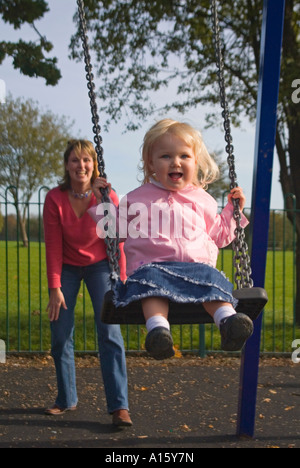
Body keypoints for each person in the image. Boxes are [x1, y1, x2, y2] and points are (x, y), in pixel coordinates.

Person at [89, 119, 254, 360]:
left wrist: (232, 212)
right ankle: (158, 332)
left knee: (212, 283)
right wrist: (102, 202)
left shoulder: (203, 200)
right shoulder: (137, 199)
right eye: (166, 156)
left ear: (195, 162)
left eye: (184, 156)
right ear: (151, 163)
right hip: (153, 267)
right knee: (150, 288)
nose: (175, 162)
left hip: (196, 268)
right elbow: (114, 232)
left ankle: (229, 323)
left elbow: (219, 236)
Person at [43, 139, 132, 426]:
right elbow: (53, 246)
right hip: (67, 267)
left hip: (100, 267)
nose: (81, 166)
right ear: (66, 165)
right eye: (74, 160)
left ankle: (119, 407)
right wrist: (55, 288)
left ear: (94, 165)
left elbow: (117, 241)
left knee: (109, 333)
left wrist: (121, 278)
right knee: (60, 332)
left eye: (86, 160)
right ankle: (66, 398)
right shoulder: (54, 198)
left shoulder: (107, 195)